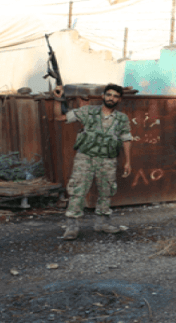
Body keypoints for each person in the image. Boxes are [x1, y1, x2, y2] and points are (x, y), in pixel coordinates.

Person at [53, 84, 132, 240]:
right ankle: (72, 227)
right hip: (85, 158)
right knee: (78, 191)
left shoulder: (122, 118)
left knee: (107, 191)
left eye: (115, 96)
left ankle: (103, 223)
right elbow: (60, 117)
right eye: (109, 95)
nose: (111, 98)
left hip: (108, 159)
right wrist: (57, 99)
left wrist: (128, 162)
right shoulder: (88, 111)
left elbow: (126, 139)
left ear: (119, 99)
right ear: (103, 96)